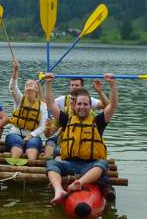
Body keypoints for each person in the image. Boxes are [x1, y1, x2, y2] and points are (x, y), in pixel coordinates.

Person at [43, 73, 118, 205]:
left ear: (90, 106)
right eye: (79, 104)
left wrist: (112, 84)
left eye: (85, 104)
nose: (82, 107)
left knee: (102, 164)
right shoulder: (67, 119)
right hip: (69, 163)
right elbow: (50, 104)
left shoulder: (98, 121)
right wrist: (48, 84)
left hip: (90, 166)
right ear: (74, 105)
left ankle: (79, 183)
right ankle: (59, 190)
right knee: (51, 164)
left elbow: (112, 106)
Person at [7, 59, 49, 161]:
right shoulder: (20, 100)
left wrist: (31, 135)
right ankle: (14, 165)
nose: (28, 85)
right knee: (17, 143)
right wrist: (15, 71)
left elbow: (42, 127)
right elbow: (12, 87)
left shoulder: (42, 105)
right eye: (26, 84)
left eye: (31, 84)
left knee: (33, 144)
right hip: (15, 132)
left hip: (32, 134)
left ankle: (31, 164)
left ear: (37, 89)